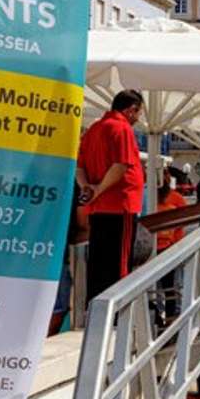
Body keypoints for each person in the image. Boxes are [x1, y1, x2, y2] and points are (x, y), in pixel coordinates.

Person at [78, 90, 145, 302]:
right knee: (119, 264)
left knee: (98, 261)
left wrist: (86, 187)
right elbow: (121, 165)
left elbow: (79, 166)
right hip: (120, 203)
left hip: (99, 207)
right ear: (131, 110)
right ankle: (115, 317)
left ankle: (95, 309)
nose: (138, 119)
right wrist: (99, 189)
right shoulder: (121, 128)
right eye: (138, 113)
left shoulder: (94, 129)